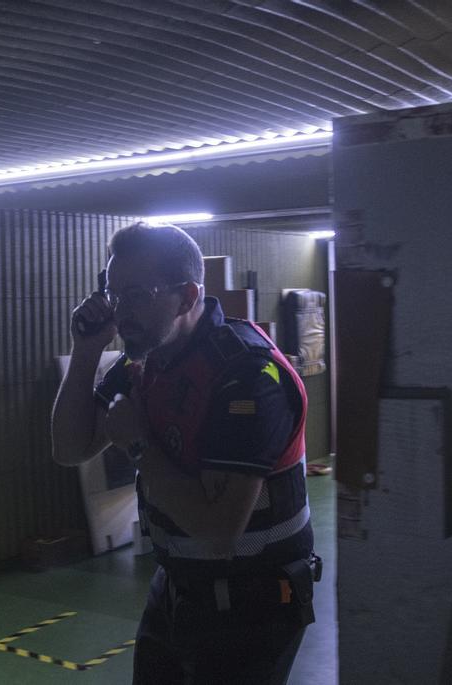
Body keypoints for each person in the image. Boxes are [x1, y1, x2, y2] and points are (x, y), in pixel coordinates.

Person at [52, 222, 319, 685]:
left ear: (189, 296)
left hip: (253, 602)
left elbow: (218, 532)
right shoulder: (147, 361)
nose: (120, 311)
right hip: (179, 586)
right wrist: (87, 350)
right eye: (113, 295)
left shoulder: (247, 375)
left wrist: (137, 444)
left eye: (136, 294)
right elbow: (70, 448)